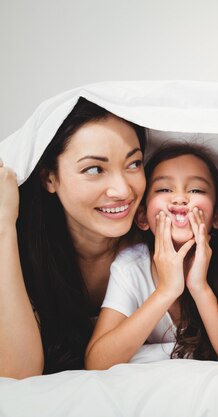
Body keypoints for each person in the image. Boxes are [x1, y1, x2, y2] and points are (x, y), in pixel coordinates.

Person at [0, 98, 147, 378]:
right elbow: (16, 373)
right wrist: (3, 226)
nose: (122, 189)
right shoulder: (24, 250)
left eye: (134, 163)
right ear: (49, 178)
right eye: (94, 169)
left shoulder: (157, 247)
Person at [85, 143, 218, 369]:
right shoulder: (131, 267)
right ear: (142, 217)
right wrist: (166, 290)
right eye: (164, 190)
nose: (179, 199)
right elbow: (96, 363)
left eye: (196, 190)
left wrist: (200, 288)